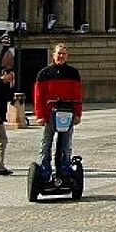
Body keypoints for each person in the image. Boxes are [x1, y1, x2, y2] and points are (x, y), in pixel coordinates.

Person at [33, 44, 83, 180]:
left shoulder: (73, 73)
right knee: (46, 144)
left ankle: (64, 169)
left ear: (67, 56)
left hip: (68, 115)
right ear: (53, 55)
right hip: (49, 115)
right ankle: (45, 170)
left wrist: (78, 114)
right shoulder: (44, 73)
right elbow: (38, 97)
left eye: (64, 54)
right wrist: (40, 116)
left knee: (66, 145)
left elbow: (77, 95)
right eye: (59, 53)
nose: (61, 56)